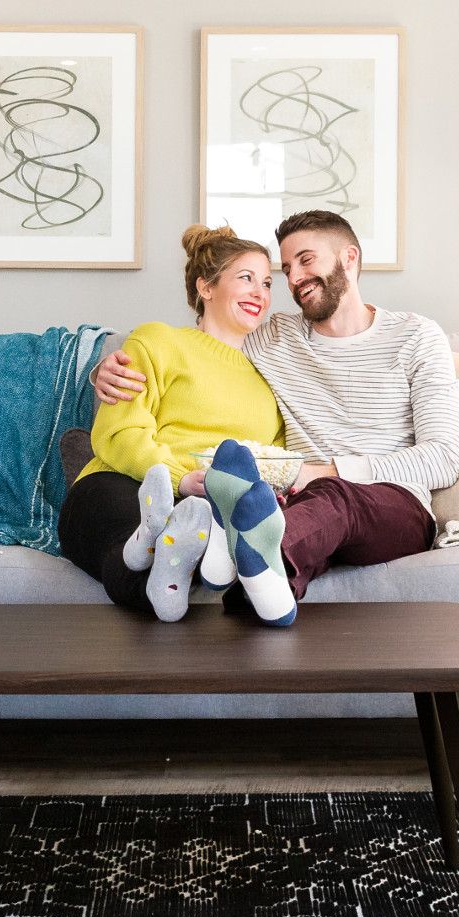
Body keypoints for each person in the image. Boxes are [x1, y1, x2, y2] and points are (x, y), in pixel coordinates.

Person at [93, 209, 459, 622]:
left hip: (392, 504)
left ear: (349, 257)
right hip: (296, 504)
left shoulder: (416, 336)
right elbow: (204, 348)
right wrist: (107, 368)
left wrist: (326, 472)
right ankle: (259, 591)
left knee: (331, 499)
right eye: (286, 270)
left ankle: (240, 550)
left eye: (306, 260)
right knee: (280, 508)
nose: (295, 279)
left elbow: (443, 458)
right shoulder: (275, 338)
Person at [58, 225, 287, 623]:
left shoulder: (271, 378)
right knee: (125, 525)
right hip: (124, 482)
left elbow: (272, 463)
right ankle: (148, 537)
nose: (260, 293)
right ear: (206, 287)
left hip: (209, 507)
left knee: (182, 545)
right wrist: (181, 477)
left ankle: (158, 551)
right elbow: (118, 433)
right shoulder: (157, 341)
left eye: (267, 283)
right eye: (246, 278)